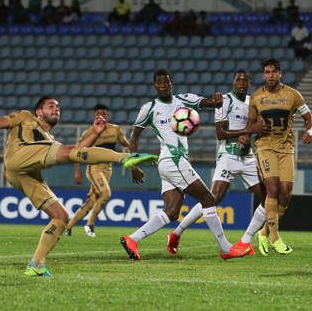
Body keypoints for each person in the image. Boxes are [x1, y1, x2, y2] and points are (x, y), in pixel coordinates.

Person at [0, 97, 158, 277]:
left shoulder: (49, 138)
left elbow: (78, 151)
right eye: (51, 106)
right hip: (17, 155)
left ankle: (36, 264)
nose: (56, 109)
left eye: (58, 107)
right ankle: (124, 158)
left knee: (60, 216)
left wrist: (96, 133)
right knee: (69, 152)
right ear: (39, 112)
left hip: (21, 174)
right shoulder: (26, 117)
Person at [120, 69, 254, 261]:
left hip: (170, 163)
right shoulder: (148, 108)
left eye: (166, 82)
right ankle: (226, 249)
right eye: (159, 83)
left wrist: (217, 101)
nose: (164, 86)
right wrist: (133, 166)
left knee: (172, 212)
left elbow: (206, 102)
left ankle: (132, 239)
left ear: (171, 83)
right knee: (208, 199)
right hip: (173, 160)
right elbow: (134, 139)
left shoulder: (182, 100)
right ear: (155, 86)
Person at [166, 70, 267, 255]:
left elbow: (259, 127)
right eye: (238, 80)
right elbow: (220, 133)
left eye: (245, 80)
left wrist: (250, 133)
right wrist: (246, 132)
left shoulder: (254, 102)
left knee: (267, 199)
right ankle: (176, 233)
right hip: (228, 155)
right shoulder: (224, 101)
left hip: (247, 157)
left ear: (250, 83)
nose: (242, 83)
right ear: (233, 82)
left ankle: (245, 241)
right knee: (213, 199)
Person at [239, 58, 312, 256]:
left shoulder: (293, 95)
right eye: (266, 72)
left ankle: (263, 232)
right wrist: (247, 135)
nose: (270, 75)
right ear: (263, 75)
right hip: (265, 146)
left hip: (286, 147)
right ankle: (275, 237)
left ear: (279, 73)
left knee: (286, 193)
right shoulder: (256, 98)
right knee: (272, 187)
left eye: (273, 72)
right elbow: (250, 124)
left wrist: (310, 131)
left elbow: (308, 117)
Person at [65, 104, 131, 237]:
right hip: (94, 168)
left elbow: (127, 145)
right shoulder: (89, 133)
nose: (101, 116)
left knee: (91, 201)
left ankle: (68, 227)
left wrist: (130, 159)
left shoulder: (116, 130)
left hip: (108, 169)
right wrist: (77, 171)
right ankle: (90, 225)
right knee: (106, 194)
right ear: (94, 116)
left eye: (104, 114)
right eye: (98, 114)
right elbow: (76, 152)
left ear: (107, 116)